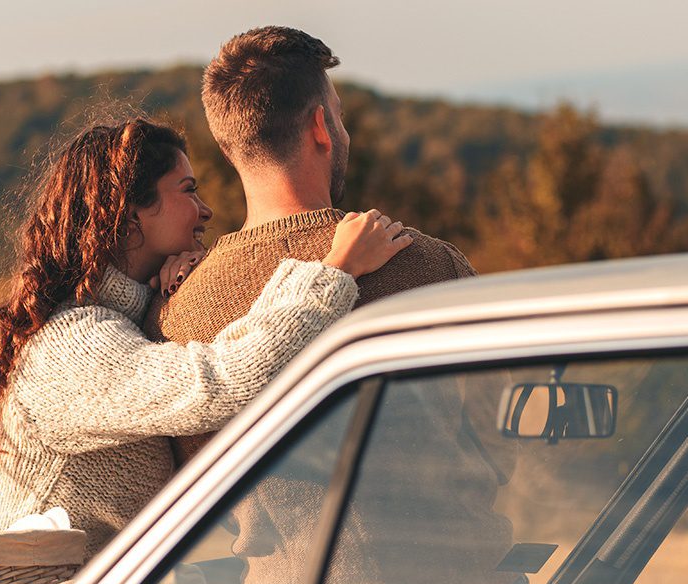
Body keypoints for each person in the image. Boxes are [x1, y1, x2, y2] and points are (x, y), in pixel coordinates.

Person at [0, 117, 411, 557]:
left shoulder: (119, 325)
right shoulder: (67, 347)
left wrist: (166, 298)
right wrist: (334, 269)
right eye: (188, 191)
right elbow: (226, 381)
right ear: (128, 214)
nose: (206, 210)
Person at [144, 26, 479, 463]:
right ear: (321, 127)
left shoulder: (173, 316)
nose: (345, 133)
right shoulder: (431, 267)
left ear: (230, 150)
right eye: (338, 117)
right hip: (444, 533)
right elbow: (496, 444)